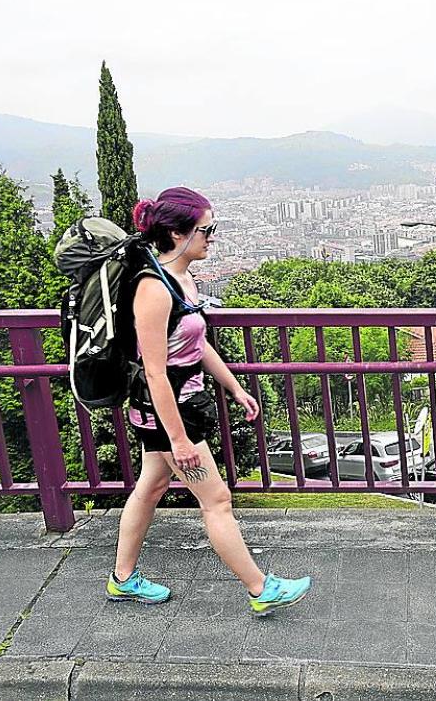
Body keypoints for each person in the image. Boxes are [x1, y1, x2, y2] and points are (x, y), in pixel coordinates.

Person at [106, 187, 312, 616]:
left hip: (180, 405)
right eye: (206, 229)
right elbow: (155, 370)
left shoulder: (182, 278)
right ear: (178, 233)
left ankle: (122, 579)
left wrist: (234, 388)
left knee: (153, 485)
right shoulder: (153, 289)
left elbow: (196, 344)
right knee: (216, 499)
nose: (211, 238)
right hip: (168, 411)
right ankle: (260, 589)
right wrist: (178, 440)